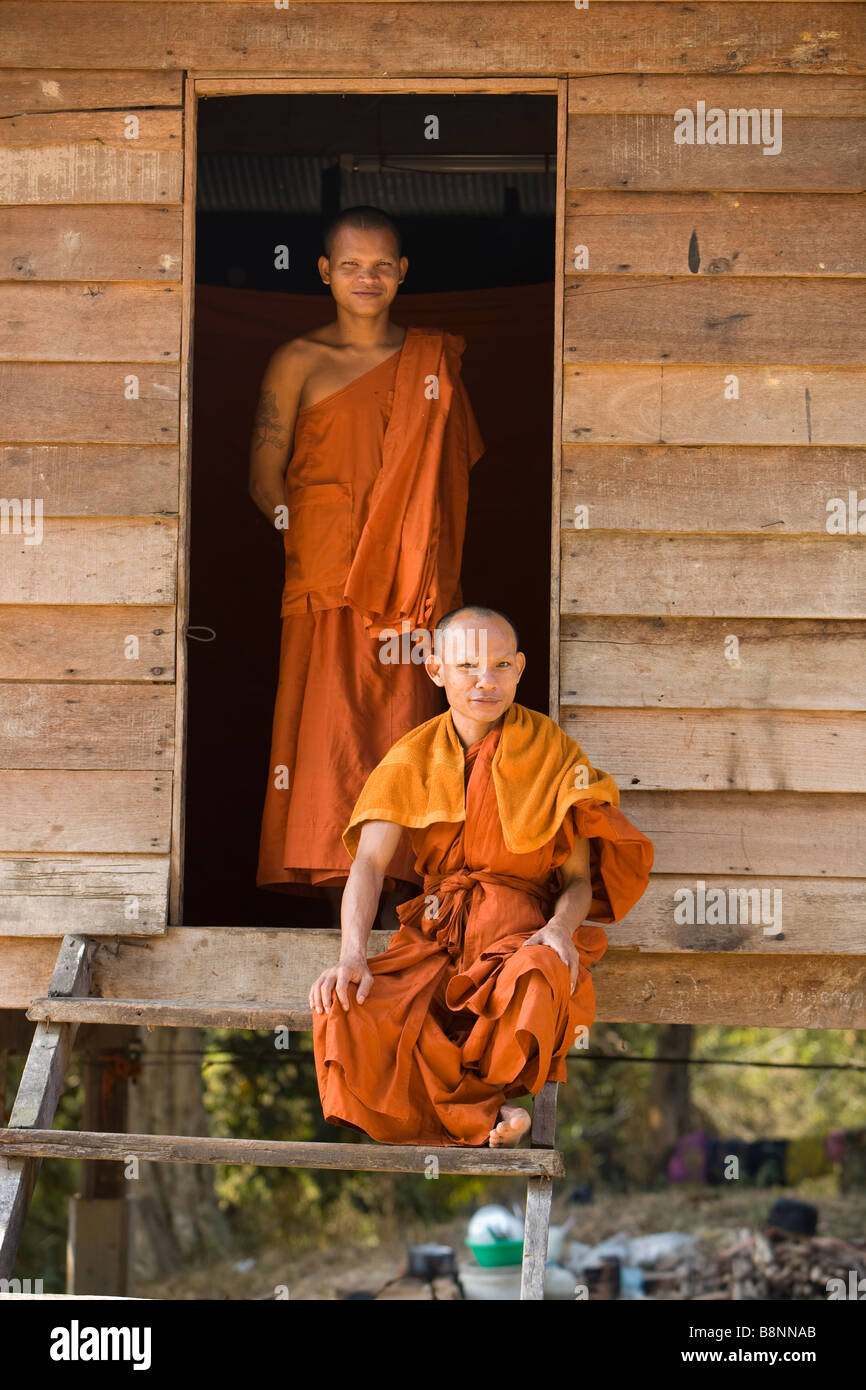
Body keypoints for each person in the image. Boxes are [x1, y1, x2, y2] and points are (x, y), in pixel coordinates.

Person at [309, 607, 654, 1148]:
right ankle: (489, 1116)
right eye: (467, 665)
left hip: (518, 934)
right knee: (347, 1005)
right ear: (435, 669)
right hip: (437, 934)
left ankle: (491, 1108)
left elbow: (579, 881)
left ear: (520, 669)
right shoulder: (413, 756)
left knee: (542, 973)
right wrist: (351, 955)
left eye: (499, 665)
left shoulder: (555, 753)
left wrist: (561, 930)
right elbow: (370, 864)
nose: (485, 681)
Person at [248, 206, 484, 909]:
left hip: (409, 589)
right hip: (325, 583)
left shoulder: (431, 362)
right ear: (324, 272)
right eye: (351, 265)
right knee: (327, 750)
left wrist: (404, 552)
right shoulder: (298, 361)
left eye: (382, 265)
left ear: (402, 273)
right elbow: (264, 476)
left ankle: (403, 912)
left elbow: (452, 471)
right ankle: (335, 912)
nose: (367, 278)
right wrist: (313, 534)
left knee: (402, 739)